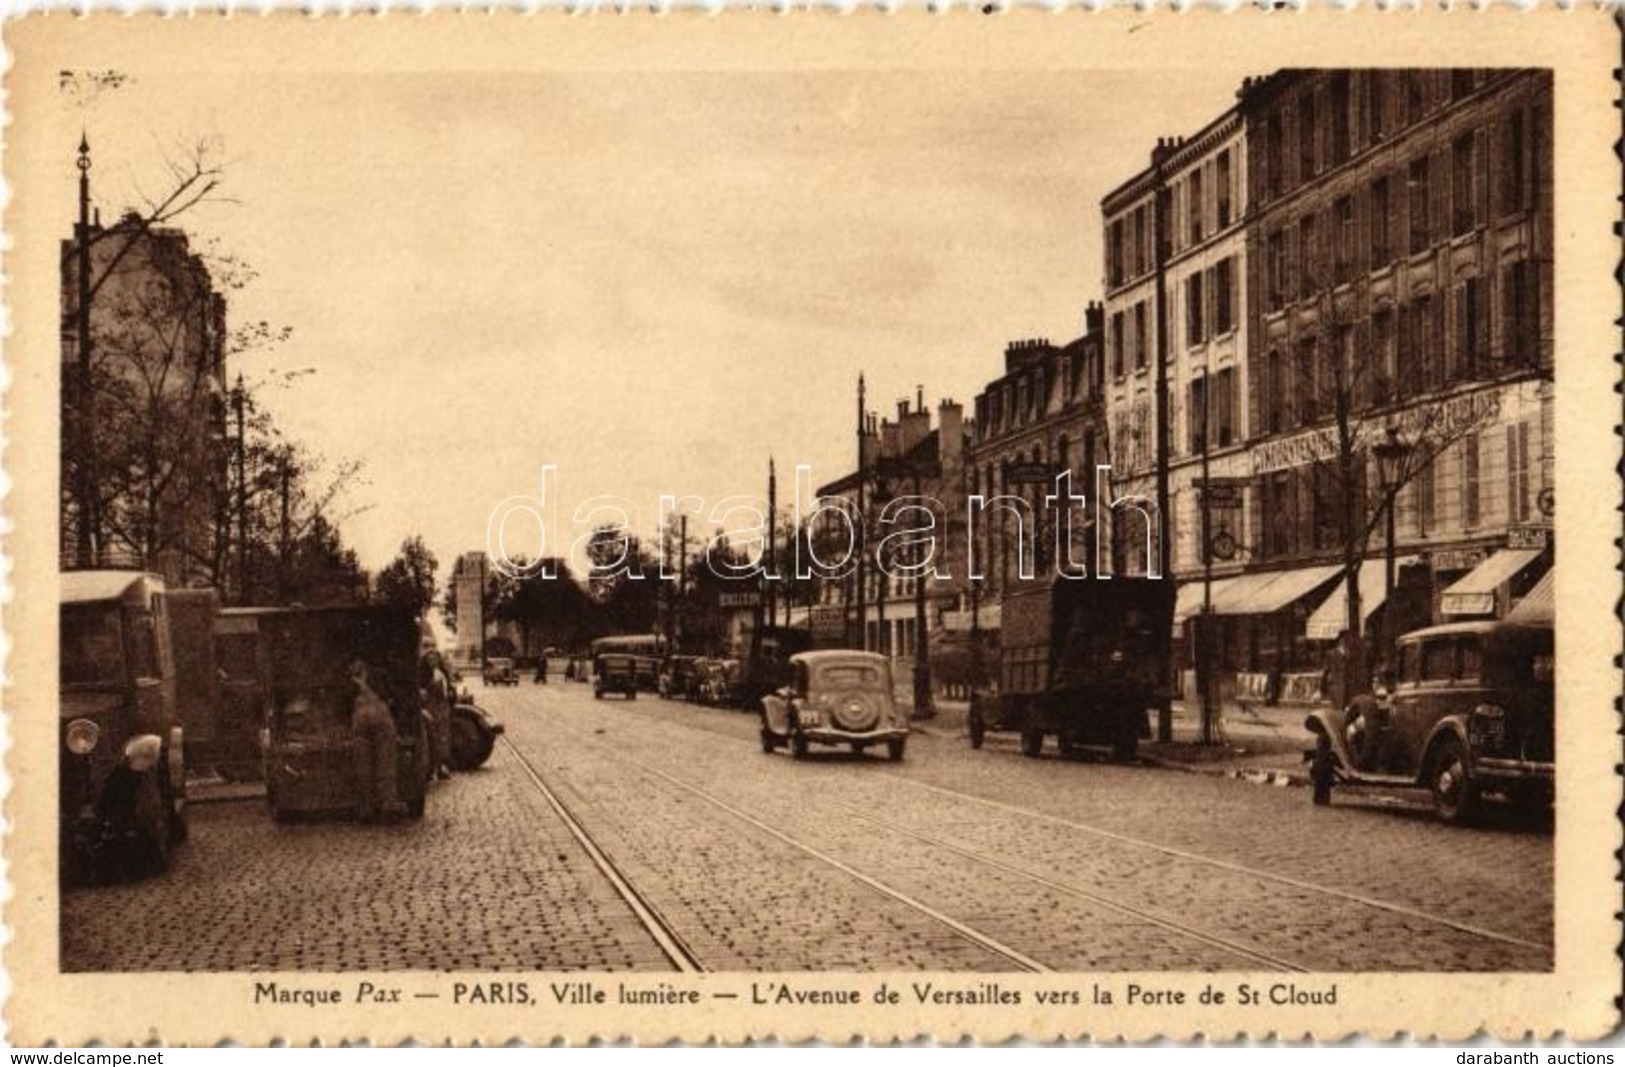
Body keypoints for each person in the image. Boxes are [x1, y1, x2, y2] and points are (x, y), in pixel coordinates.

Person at [350, 659, 400, 822]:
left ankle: (366, 810)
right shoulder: (380, 677)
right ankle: (388, 807)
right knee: (386, 766)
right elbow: (392, 697)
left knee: (363, 767)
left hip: (361, 721)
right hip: (382, 719)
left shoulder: (351, 685)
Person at [420, 651, 454, 779]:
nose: (433, 662)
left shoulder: (443, 674)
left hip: (443, 708)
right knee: (432, 738)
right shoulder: (424, 675)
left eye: (435, 659)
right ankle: (431, 768)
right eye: (430, 660)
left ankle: (441, 767)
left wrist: (451, 692)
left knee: (443, 738)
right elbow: (422, 691)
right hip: (431, 708)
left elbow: (448, 690)